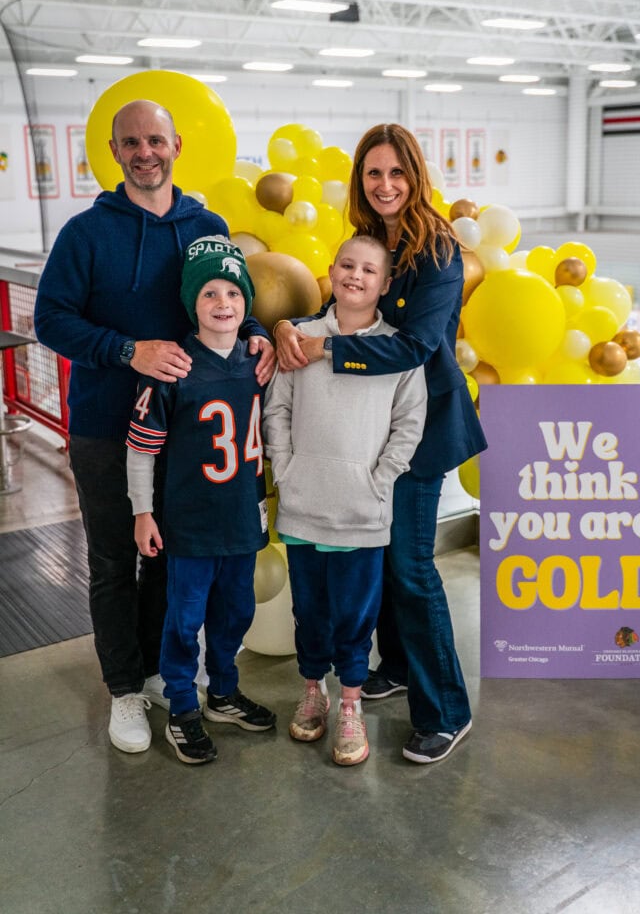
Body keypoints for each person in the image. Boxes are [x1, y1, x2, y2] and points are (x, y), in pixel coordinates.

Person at [34, 100, 275, 755]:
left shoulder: (208, 223)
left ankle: (165, 674)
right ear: (115, 152)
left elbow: (229, 297)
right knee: (116, 563)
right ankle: (124, 691)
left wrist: (254, 335)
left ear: (176, 145)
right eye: (132, 142)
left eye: (156, 141)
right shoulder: (87, 233)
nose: (146, 152)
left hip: (190, 435)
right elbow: (50, 319)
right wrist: (126, 350)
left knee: (169, 560)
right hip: (107, 428)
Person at [274, 123, 487, 765]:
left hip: (418, 430)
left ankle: (446, 710)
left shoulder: (439, 249)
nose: (385, 184)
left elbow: (416, 347)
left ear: (415, 175)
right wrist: (288, 324)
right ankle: (394, 663)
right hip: (361, 431)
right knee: (383, 552)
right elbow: (331, 311)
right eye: (373, 173)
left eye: (397, 172)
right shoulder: (370, 244)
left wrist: (326, 347)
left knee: (410, 568)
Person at [264, 236, 426, 766]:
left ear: (384, 284)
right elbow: (277, 411)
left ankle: (352, 702)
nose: (356, 276)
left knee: (356, 614)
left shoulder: (398, 350)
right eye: (348, 265)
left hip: (362, 508)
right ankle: (314, 689)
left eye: (370, 270)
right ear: (331, 271)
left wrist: (379, 480)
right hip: (305, 502)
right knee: (310, 609)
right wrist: (285, 469)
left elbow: (408, 424)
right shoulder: (301, 338)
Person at [127, 235, 276, 764]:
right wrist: (143, 511)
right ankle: (182, 705)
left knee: (235, 612)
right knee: (184, 618)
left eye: (233, 294)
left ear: (246, 304)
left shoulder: (258, 364)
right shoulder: (173, 368)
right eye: (210, 293)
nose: (223, 304)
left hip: (241, 517)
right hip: (189, 524)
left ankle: (222, 691)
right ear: (193, 303)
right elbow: (140, 449)